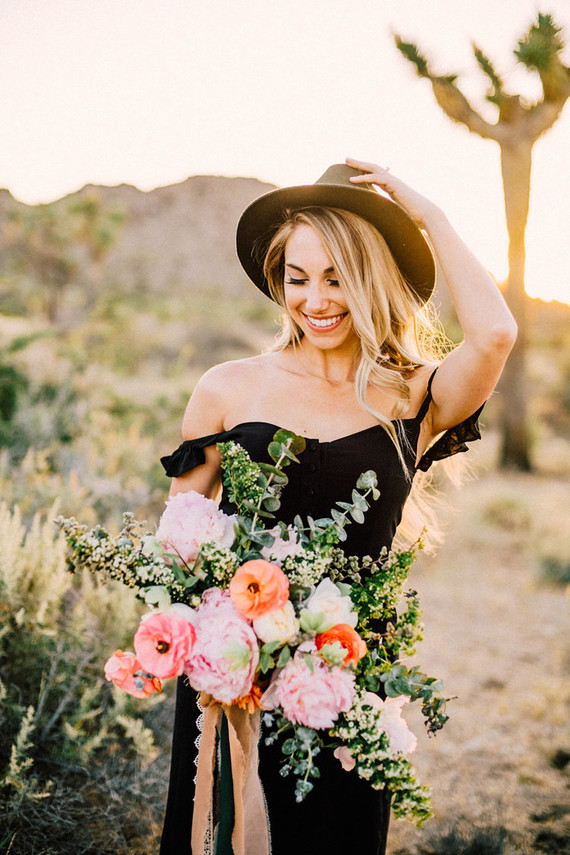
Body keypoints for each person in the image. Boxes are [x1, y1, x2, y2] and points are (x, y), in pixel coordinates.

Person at [159, 159, 517, 855]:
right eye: (298, 278)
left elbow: (495, 335)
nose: (316, 300)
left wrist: (426, 216)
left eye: (338, 278)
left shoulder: (415, 395)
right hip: (236, 680)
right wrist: (225, 639)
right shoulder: (227, 388)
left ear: (372, 279)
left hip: (350, 683)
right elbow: (180, 541)